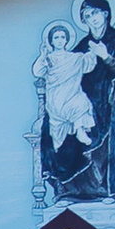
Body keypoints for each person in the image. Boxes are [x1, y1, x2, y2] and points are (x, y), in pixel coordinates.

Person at [41, 0, 115, 206]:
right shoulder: (82, 45)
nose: (93, 18)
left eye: (95, 13)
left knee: (113, 121)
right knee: (53, 123)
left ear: (106, 14)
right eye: (87, 15)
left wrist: (106, 57)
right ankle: (70, 190)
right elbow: (68, 73)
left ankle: (113, 190)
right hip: (86, 101)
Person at [32, 23, 100, 154]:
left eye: (62, 37)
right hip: (56, 98)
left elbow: (88, 66)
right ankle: (60, 152)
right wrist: (42, 55)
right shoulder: (49, 58)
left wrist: (93, 52)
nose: (60, 40)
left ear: (67, 40)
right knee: (58, 140)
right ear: (51, 41)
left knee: (82, 101)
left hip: (72, 94)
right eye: (56, 37)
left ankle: (80, 130)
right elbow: (37, 72)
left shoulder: (75, 58)